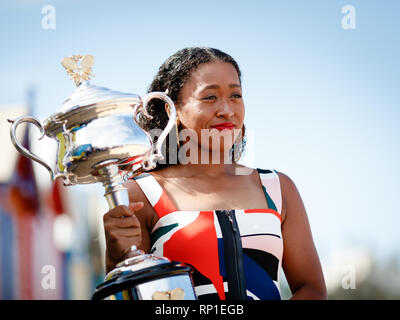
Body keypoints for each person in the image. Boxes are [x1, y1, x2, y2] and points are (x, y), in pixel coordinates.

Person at [103, 47, 327, 300]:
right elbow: (127, 292)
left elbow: (312, 289)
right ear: (171, 110)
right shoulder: (143, 193)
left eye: (235, 95)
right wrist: (114, 257)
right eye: (210, 97)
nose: (226, 110)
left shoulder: (277, 187)